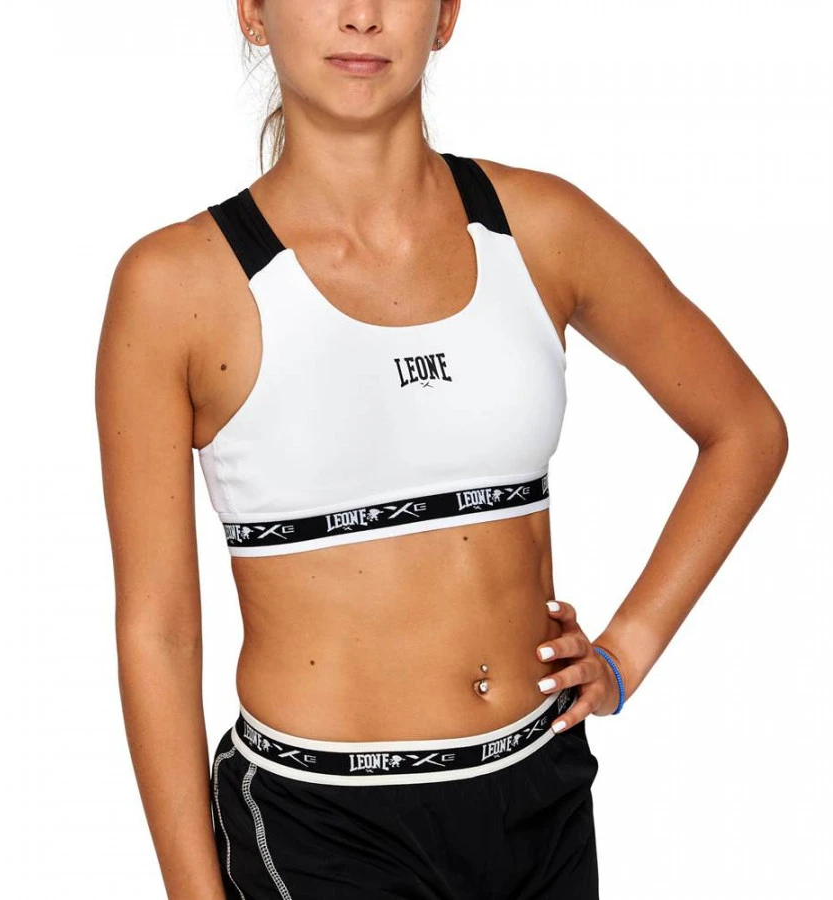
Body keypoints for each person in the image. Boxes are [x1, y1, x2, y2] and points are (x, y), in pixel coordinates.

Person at [95, 2, 788, 898]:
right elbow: (157, 629)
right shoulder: (175, 286)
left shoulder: (541, 226)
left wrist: (629, 650)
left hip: (541, 795)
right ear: (255, 15)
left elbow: (745, 430)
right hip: (323, 828)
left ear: (446, 15)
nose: (360, 16)